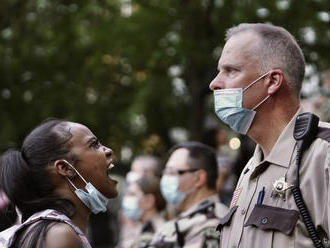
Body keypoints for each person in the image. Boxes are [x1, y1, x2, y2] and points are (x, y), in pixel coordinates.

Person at [210, 23, 330, 247]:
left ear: (273, 81)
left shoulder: (323, 157)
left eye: (230, 70)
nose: (214, 83)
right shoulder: (250, 169)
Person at [0, 119, 119, 248]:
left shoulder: (51, 231)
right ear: (65, 168)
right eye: (94, 144)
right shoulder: (59, 235)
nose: (108, 150)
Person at [150, 141, 228, 248]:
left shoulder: (211, 223)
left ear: (199, 178)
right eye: (165, 173)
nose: (165, 179)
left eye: (172, 172)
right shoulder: (191, 217)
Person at [120, 175, 166, 248]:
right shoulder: (137, 228)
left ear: (149, 201)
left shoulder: (161, 232)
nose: (126, 199)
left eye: (132, 194)